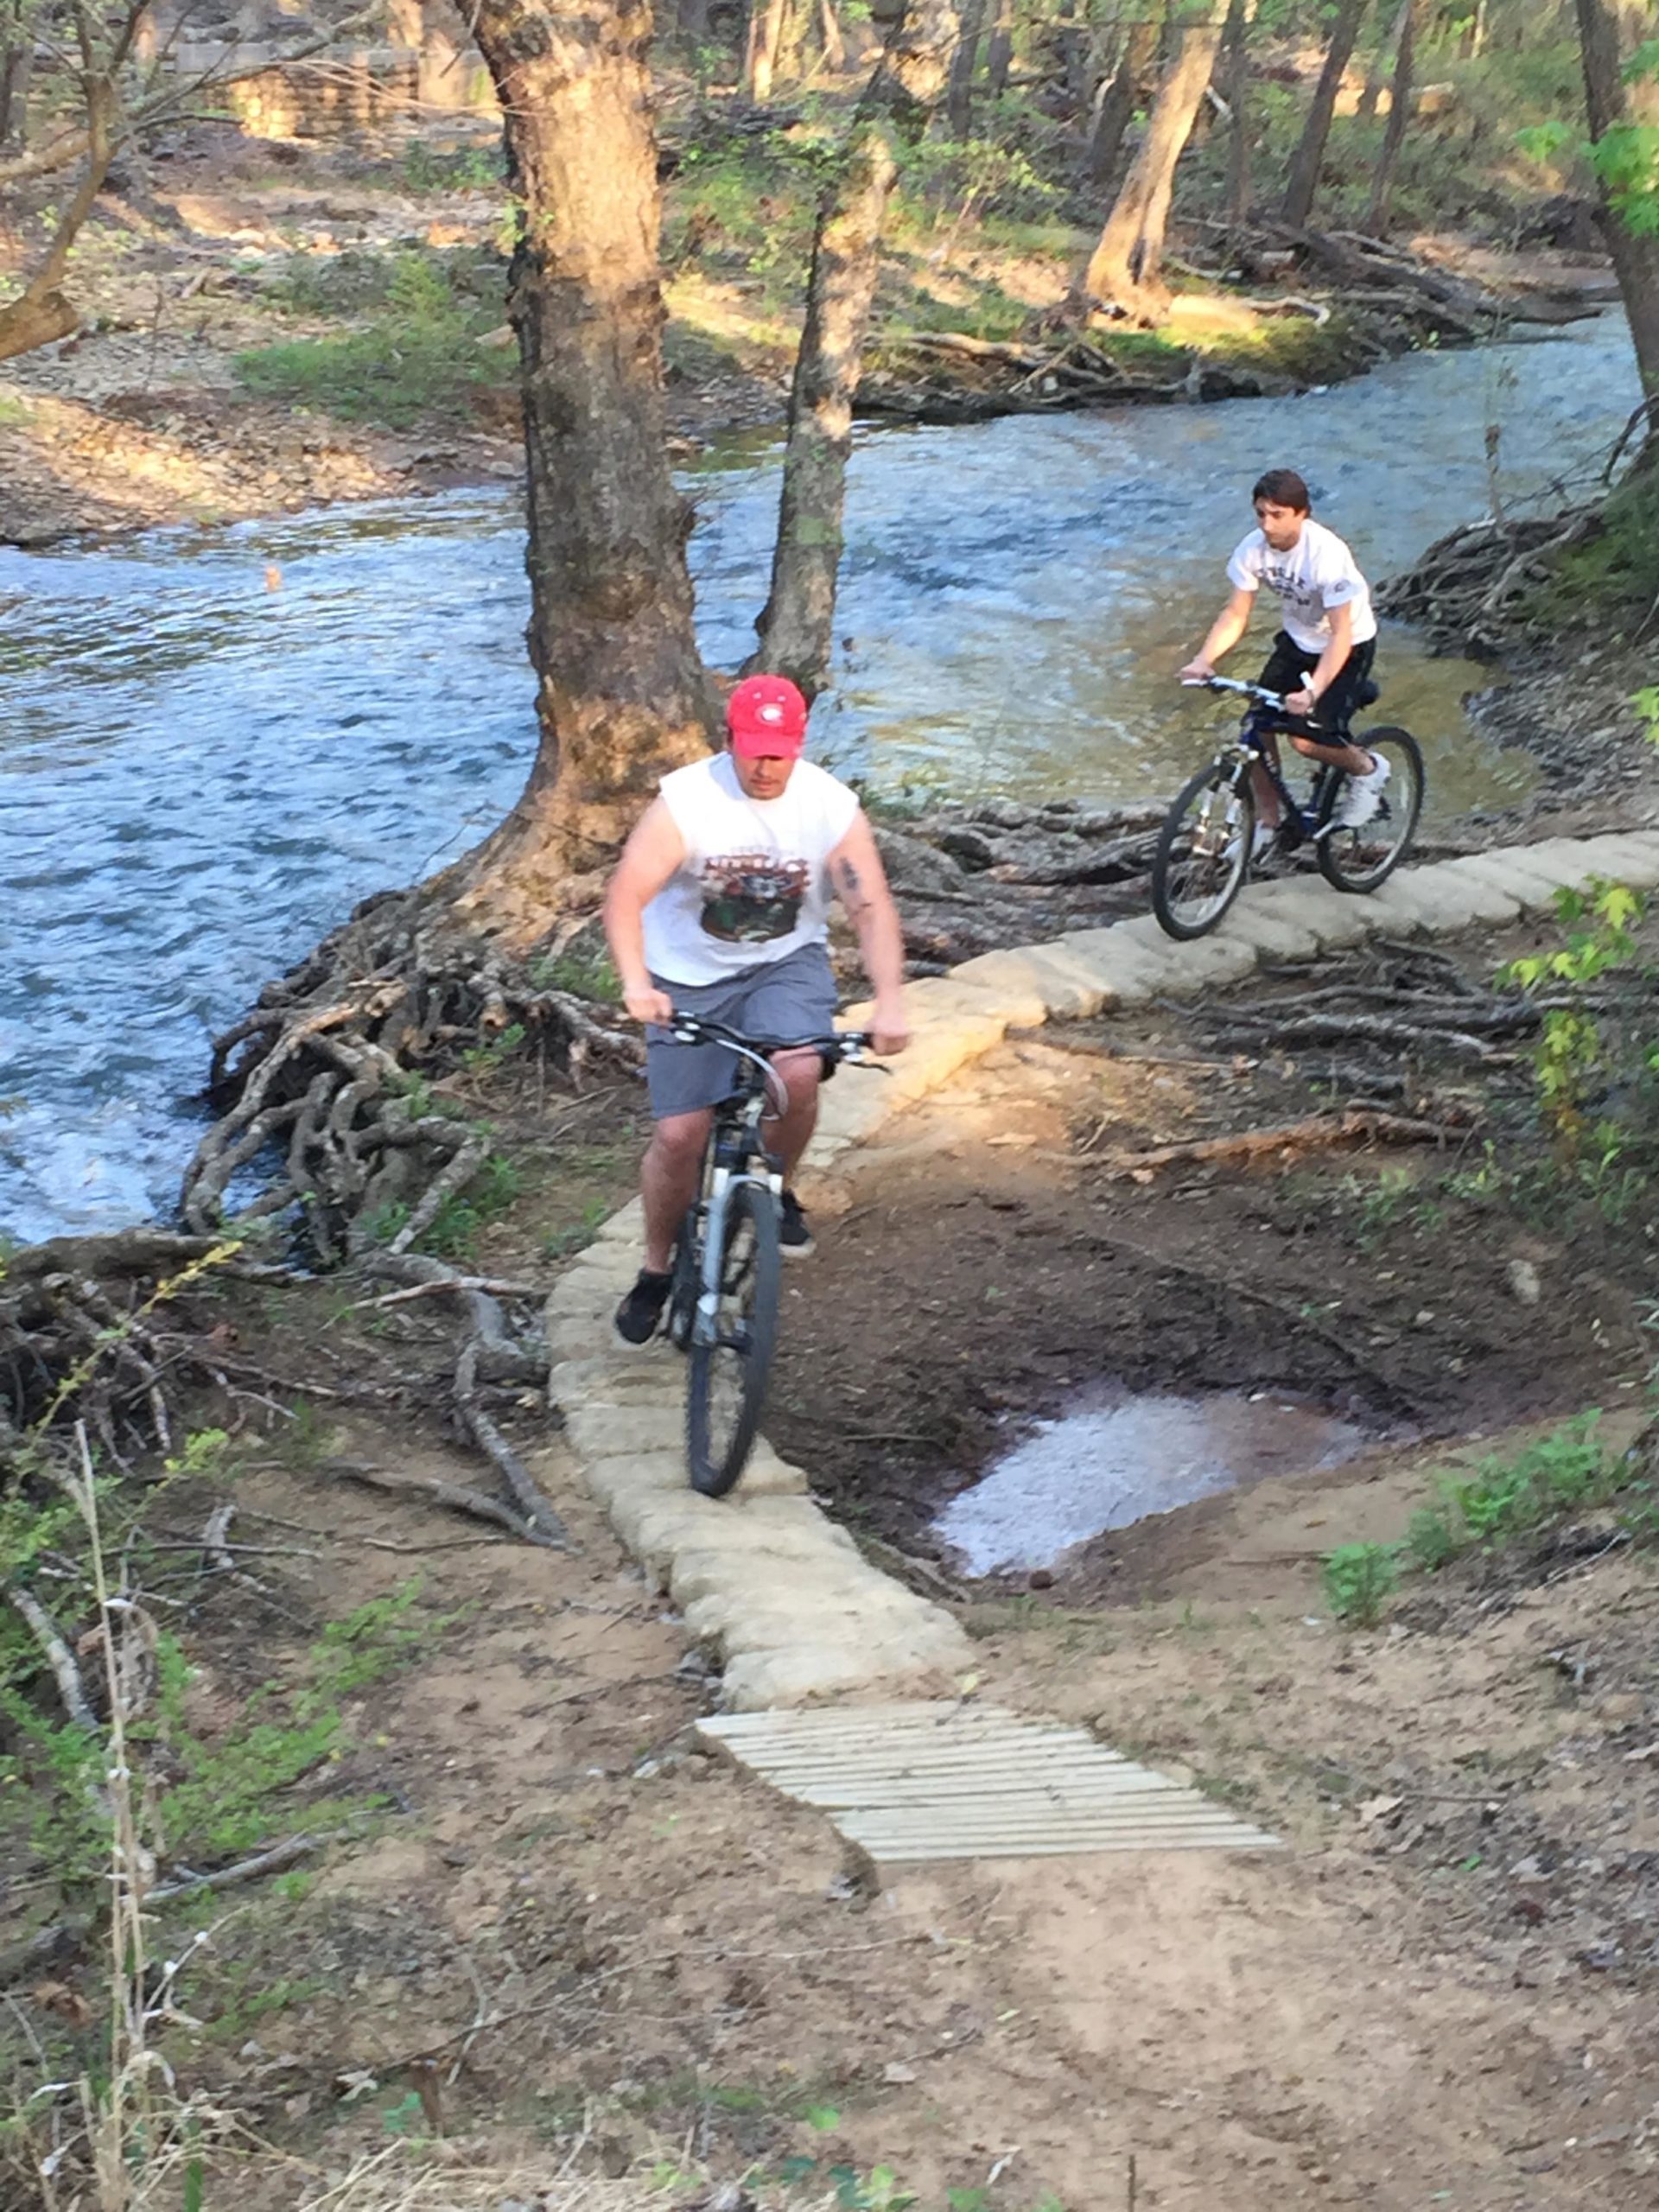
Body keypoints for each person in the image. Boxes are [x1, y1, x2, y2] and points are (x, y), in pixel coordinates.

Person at [602, 672, 911, 1347]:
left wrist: (889, 1002)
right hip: (687, 974)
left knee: (797, 1073)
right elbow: (625, 897)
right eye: (753, 751)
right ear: (728, 742)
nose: (766, 766)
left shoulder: (830, 806)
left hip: (783, 965)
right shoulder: (687, 804)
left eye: (779, 751)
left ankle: (777, 1190)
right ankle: (657, 1270)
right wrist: (637, 984)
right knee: (680, 1137)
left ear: (799, 746)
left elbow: (869, 905)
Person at [1179, 467, 1389, 843]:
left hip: (1348, 644)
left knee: (1306, 740)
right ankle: (1269, 823)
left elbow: (1341, 635)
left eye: (1278, 515)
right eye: (1261, 514)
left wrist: (1312, 692)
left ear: (1301, 514)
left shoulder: (1326, 555)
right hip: (1298, 642)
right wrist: (1204, 660)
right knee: (1256, 726)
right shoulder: (1252, 550)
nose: (1267, 524)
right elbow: (1235, 614)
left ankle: (1369, 769)